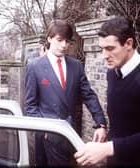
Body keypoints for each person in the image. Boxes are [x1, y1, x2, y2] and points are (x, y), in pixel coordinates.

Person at [24, 19, 107, 166]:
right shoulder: (34, 66)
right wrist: (45, 130)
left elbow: (88, 95)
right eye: (60, 40)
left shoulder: (76, 65)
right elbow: (30, 106)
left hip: (70, 133)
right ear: (49, 38)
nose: (64, 45)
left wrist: (100, 123)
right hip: (47, 135)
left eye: (67, 41)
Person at [74, 16, 140, 167]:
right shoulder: (113, 72)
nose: (104, 55)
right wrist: (103, 130)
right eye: (102, 48)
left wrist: (108, 148)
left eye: (110, 48)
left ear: (128, 43)